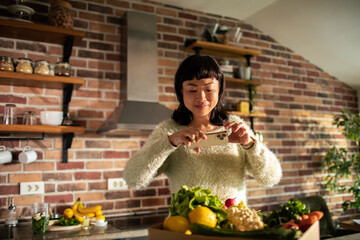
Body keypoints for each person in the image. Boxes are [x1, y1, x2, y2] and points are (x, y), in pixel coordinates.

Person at [124, 54, 282, 204]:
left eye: (209, 89)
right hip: (187, 227)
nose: (201, 97)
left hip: (232, 226)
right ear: (181, 91)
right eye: (192, 90)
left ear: (219, 90)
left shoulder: (235, 126)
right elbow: (133, 179)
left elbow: (271, 178)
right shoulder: (169, 131)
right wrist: (170, 142)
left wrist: (250, 144)